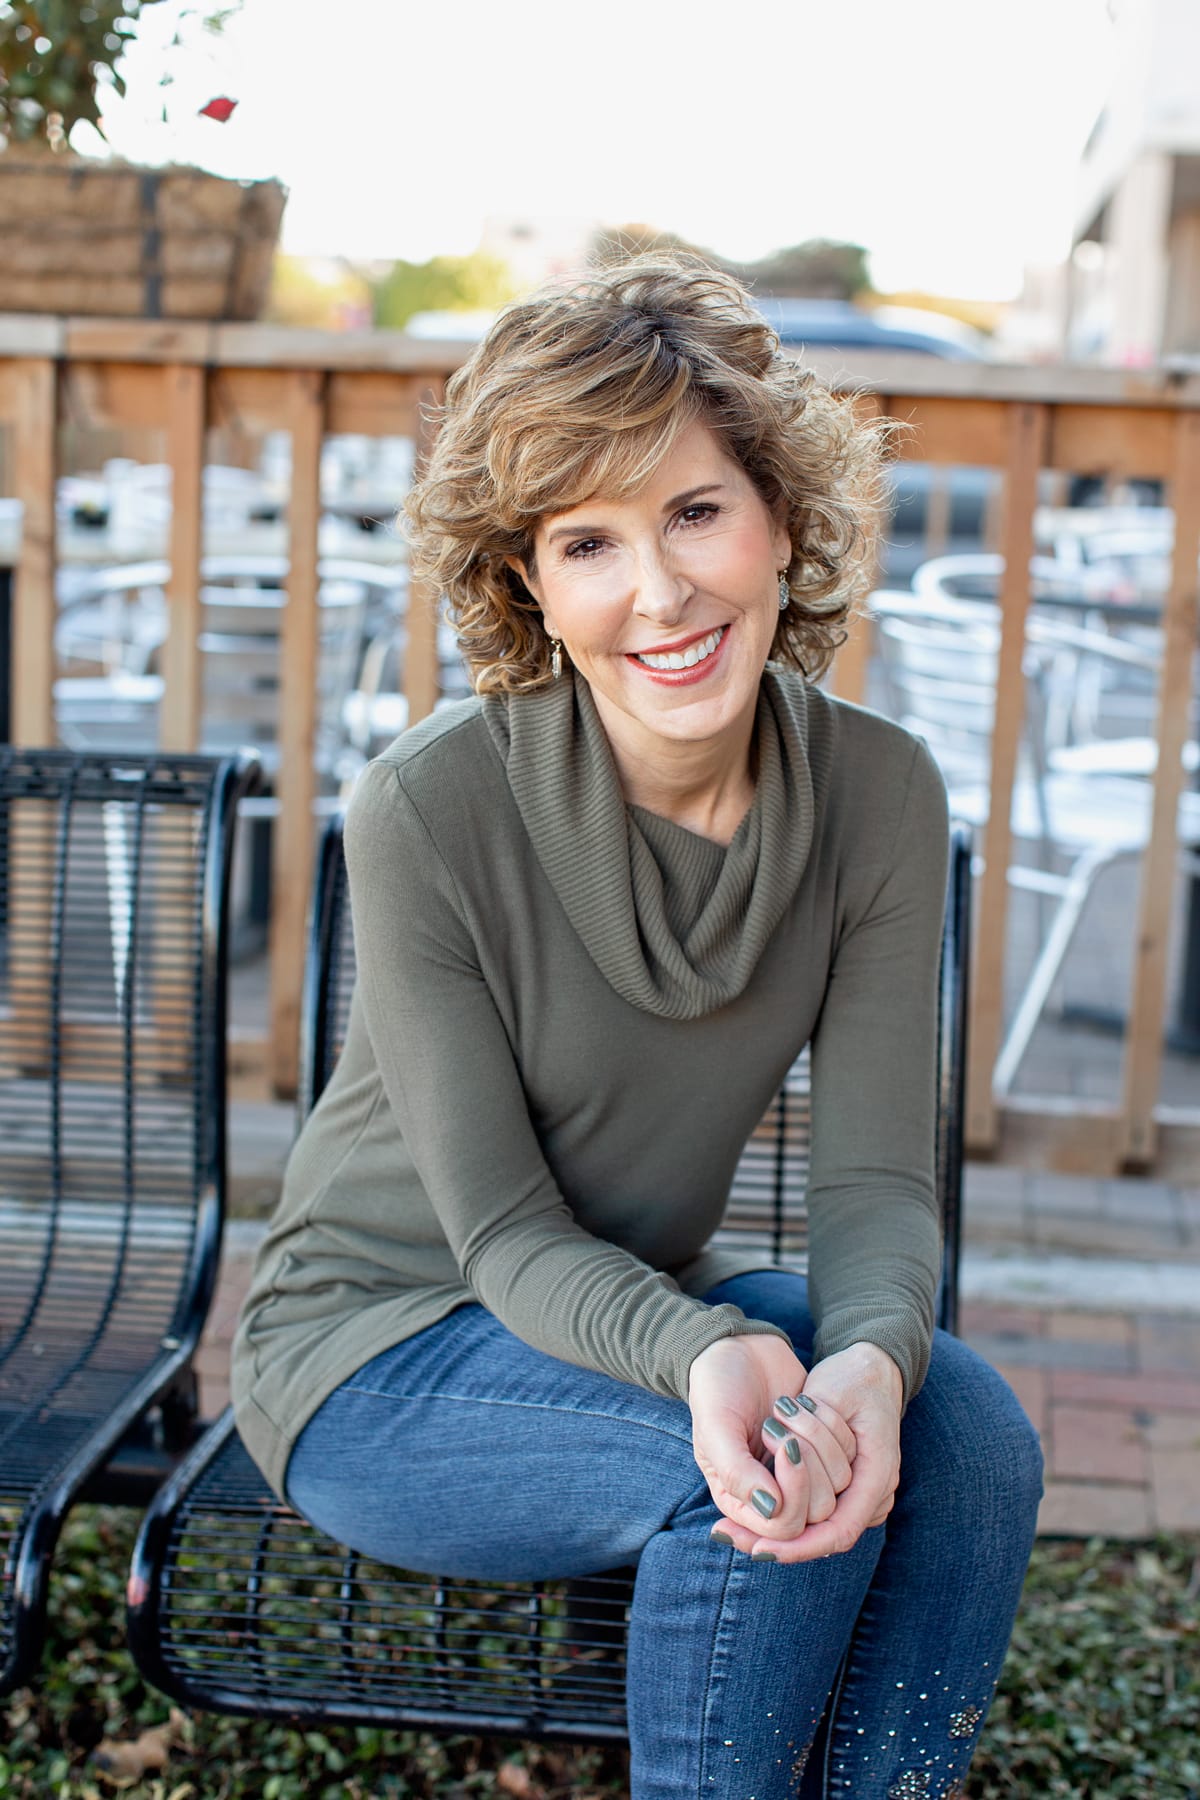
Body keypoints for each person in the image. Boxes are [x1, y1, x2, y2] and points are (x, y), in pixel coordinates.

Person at [231, 255, 1043, 1800]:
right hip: (379, 1344)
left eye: (694, 511)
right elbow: (501, 1233)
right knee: (755, 1461)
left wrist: (869, 1357)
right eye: (589, 541)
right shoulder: (430, 805)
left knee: (973, 1430)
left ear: (781, 522)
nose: (659, 594)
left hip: (636, 1303)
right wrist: (711, 1352)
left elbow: (875, 1185)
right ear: (531, 584)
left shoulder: (878, 796)